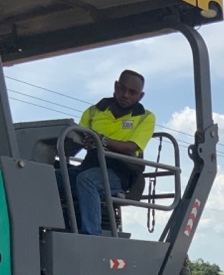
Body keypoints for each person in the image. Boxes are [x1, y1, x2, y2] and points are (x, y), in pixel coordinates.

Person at [58, 70, 156, 235]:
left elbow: (132, 146)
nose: (125, 95)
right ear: (116, 86)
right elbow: (77, 137)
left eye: (132, 92)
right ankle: (50, 227)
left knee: (87, 180)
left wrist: (100, 140)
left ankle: (91, 235)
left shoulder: (145, 117)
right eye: (122, 89)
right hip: (89, 165)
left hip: (120, 173)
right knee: (52, 176)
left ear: (141, 96)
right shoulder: (94, 111)